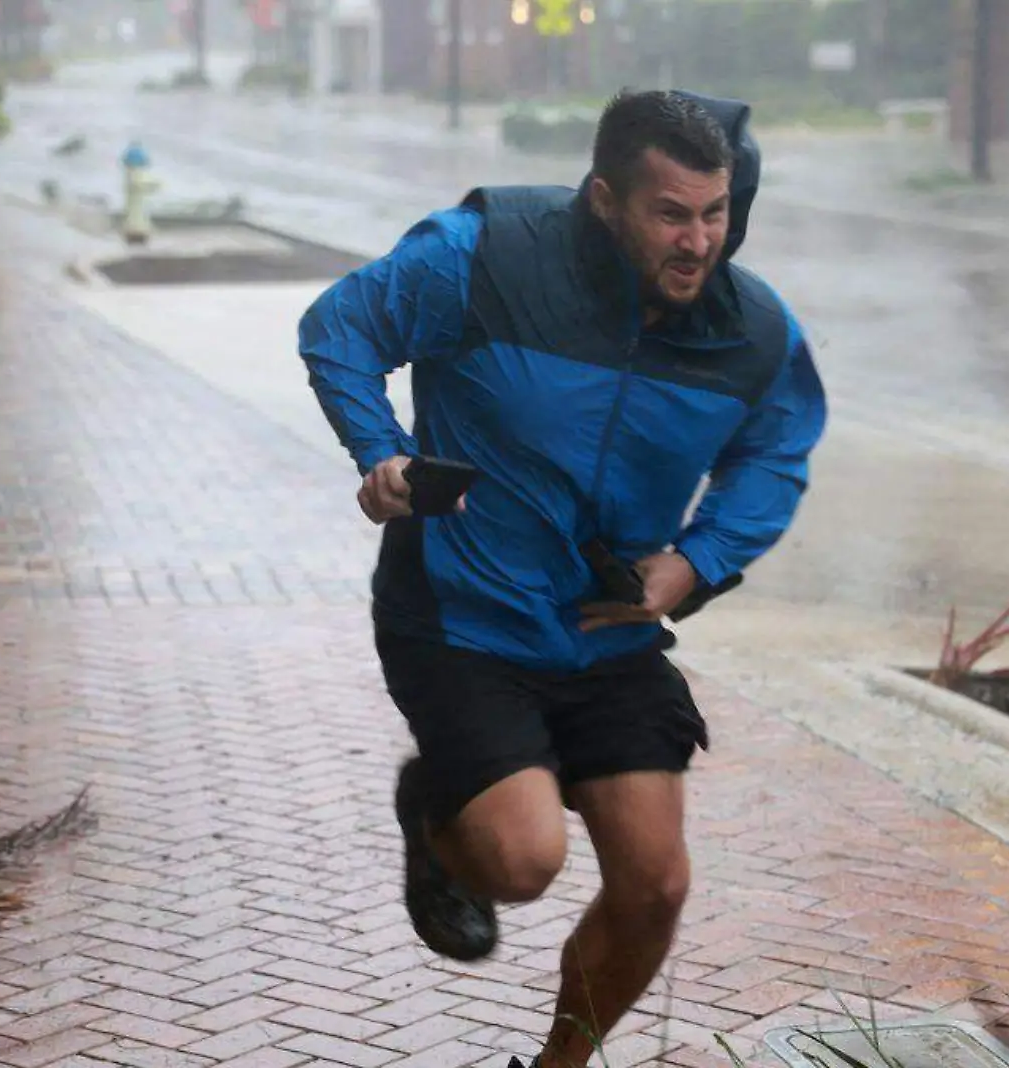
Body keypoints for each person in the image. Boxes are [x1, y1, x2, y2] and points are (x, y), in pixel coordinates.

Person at [297, 88, 827, 1068]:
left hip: (606, 629)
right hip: (461, 612)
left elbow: (777, 446)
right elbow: (339, 329)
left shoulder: (751, 329)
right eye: (670, 213)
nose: (698, 241)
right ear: (602, 199)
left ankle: (560, 1066)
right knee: (523, 861)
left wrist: (696, 562)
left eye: (715, 214)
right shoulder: (482, 257)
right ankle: (438, 813)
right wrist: (383, 454)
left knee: (655, 884)